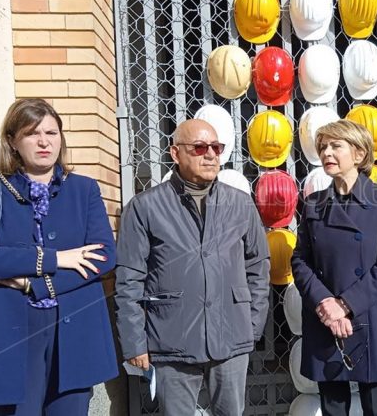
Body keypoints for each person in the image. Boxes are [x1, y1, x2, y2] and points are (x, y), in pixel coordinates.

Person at [0, 98, 118, 415]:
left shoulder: (84, 189)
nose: (44, 142)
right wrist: (52, 259)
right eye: (32, 133)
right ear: (13, 141)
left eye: (52, 133)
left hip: (76, 331)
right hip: (11, 332)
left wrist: (35, 284)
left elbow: (104, 255)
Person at [115, 118, 270, 416]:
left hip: (232, 337)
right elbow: (129, 280)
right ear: (175, 154)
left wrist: (251, 326)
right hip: (172, 339)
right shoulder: (145, 207)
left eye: (216, 147)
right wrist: (135, 342)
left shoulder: (240, 204)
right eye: (199, 147)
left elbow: (258, 266)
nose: (210, 154)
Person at [291, 119, 377, 416]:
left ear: (358, 154)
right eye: (323, 147)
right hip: (326, 320)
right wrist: (326, 304)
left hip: (371, 318)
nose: (326, 152)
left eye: (335, 146)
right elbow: (300, 261)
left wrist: (345, 305)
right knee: (332, 408)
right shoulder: (314, 204)